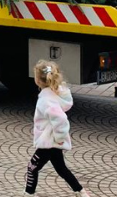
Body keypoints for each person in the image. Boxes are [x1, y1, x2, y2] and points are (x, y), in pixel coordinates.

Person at [26, 60, 89, 196]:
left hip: (49, 142)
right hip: (53, 141)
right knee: (61, 169)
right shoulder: (55, 94)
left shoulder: (45, 100)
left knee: (32, 168)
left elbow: (60, 119)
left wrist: (60, 138)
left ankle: (28, 194)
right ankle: (81, 192)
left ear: (38, 80)